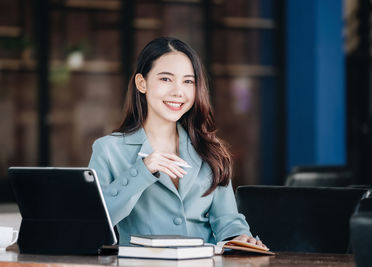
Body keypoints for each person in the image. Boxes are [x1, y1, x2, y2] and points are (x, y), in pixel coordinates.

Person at [89, 36, 266, 248]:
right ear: (141, 83)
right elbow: (93, 221)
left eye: (188, 81)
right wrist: (142, 171)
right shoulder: (109, 149)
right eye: (166, 79)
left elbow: (227, 221)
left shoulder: (210, 150)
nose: (178, 92)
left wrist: (239, 238)